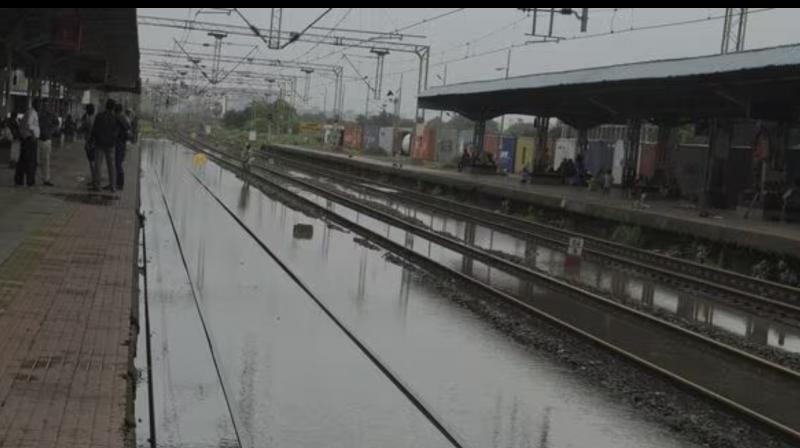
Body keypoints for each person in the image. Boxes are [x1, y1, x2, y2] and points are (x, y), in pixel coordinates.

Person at [90, 99, 120, 192]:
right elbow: (116, 132)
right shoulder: (115, 118)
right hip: (110, 145)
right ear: (113, 107)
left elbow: (94, 130)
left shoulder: (99, 116)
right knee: (111, 166)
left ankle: (97, 185)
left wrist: (92, 140)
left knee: (98, 165)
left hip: (99, 144)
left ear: (106, 106)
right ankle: (113, 186)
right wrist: (113, 140)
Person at [15, 99, 40, 186]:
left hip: (26, 139)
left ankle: (19, 180)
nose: (40, 107)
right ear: (35, 104)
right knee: (31, 161)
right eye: (39, 104)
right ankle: (30, 181)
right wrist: (33, 135)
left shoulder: (30, 112)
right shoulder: (32, 113)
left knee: (23, 160)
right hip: (30, 139)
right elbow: (29, 125)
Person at [37, 101, 57, 186]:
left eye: (46, 106)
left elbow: (56, 123)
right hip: (39, 139)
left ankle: (46, 179)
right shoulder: (38, 115)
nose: (45, 107)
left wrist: (51, 131)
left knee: (46, 160)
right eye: (43, 105)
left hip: (47, 140)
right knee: (37, 160)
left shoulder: (51, 115)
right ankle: (35, 178)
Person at [114, 103, 131, 190]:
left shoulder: (120, 117)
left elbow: (126, 128)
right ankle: (118, 183)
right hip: (121, 143)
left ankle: (119, 184)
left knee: (118, 163)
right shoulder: (123, 117)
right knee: (118, 163)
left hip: (120, 143)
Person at [80, 104, 96, 186]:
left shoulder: (88, 119)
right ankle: (95, 179)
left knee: (91, 162)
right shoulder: (96, 118)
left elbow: (81, 129)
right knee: (95, 162)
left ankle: (94, 180)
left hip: (90, 143)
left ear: (87, 111)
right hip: (96, 143)